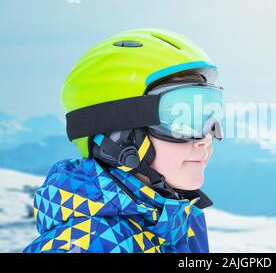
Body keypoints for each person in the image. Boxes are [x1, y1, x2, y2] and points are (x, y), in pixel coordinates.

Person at [23, 28, 224, 253]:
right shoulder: (85, 246)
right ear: (119, 137)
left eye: (208, 115)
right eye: (181, 119)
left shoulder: (182, 220)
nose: (206, 138)